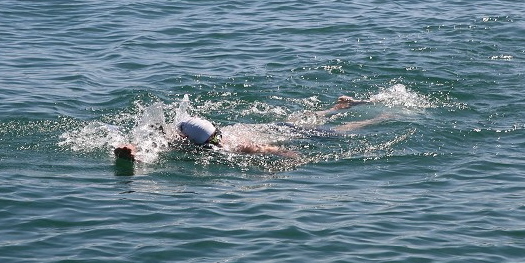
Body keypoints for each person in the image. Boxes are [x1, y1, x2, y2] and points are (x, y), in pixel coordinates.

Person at [113, 96, 377, 162]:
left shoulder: (231, 146)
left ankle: (377, 117)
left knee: (341, 132)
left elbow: (269, 148)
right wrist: (130, 150)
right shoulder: (188, 136)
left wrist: (294, 158)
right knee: (306, 121)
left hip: (276, 132)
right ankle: (340, 105)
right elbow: (152, 139)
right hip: (271, 127)